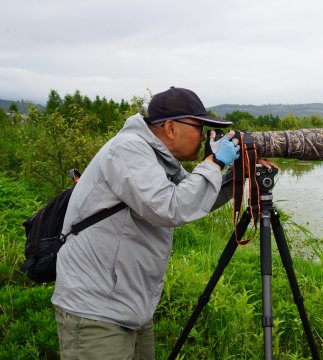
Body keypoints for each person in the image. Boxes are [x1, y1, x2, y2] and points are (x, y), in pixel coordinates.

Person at [51, 86, 274, 359]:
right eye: (200, 127)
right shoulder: (128, 150)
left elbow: (191, 196)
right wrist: (215, 161)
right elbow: (170, 207)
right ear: (170, 127)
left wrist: (238, 177)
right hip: (96, 309)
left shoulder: (157, 156)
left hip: (130, 305)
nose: (207, 137)